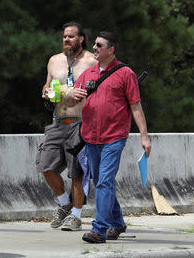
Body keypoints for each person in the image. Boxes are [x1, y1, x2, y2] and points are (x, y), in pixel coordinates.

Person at [66, 31, 152, 243]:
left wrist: (144, 136)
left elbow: (136, 106)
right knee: (101, 181)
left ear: (111, 49)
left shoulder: (125, 73)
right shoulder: (88, 74)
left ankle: (99, 229)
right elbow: (70, 104)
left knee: (104, 181)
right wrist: (71, 96)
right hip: (91, 137)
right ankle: (117, 222)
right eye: (94, 44)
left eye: (99, 45)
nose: (94, 48)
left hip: (114, 137)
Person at [36, 21, 96, 231]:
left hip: (80, 124)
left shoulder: (91, 61)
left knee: (77, 173)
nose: (66, 40)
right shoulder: (54, 61)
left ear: (80, 39)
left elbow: (100, 90)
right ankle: (64, 203)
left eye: (71, 37)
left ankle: (77, 216)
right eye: (64, 37)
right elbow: (47, 88)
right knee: (45, 165)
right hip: (57, 121)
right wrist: (52, 92)